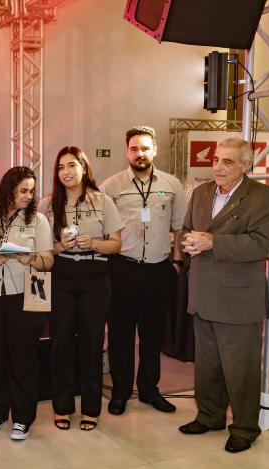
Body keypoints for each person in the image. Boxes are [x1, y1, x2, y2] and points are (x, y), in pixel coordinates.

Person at [178, 137, 269, 453]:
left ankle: (245, 428)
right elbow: (186, 229)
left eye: (228, 161)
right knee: (206, 365)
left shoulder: (264, 198)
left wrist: (212, 242)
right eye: (216, 160)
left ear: (246, 165)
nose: (218, 167)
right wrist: (186, 243)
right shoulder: (201, 193)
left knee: (240, 370)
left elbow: (261, 244)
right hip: (203, 293)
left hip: (238, 300)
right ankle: (209, 416)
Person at [100, 126, 186, 416]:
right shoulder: (111, 186)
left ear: (155, 150)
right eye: (134, 148)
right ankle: (121, 391)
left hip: (159, 271)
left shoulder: (172, 185)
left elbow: (179, 228)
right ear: (127, 152)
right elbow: (102, 228)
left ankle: (150, 389)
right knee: (120, 335)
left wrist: (176, 263)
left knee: (153, 335)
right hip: (122, 269)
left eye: (145, 148)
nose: (140, 153)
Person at [39, 146, 123, 431]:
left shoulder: (103, 201)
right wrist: (59, 246)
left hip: (95, 277)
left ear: (84, 168)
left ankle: (91, 409)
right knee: (60, 344)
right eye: (61, 167)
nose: (66, 172)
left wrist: (94, 243)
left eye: (72, 165)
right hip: (61, 276)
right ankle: (62, 407)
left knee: (92, 344)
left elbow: (116, 244)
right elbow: (40, 248)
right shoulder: (47, 204)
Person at [0, 166, 54, 440]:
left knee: (23, 358)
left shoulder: (38, 220)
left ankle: (22, 417)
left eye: (31, 191)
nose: (29, 196)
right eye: (23, 191)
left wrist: (32, 259)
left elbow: (49, 261)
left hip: (27, 296)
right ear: (8, 190)